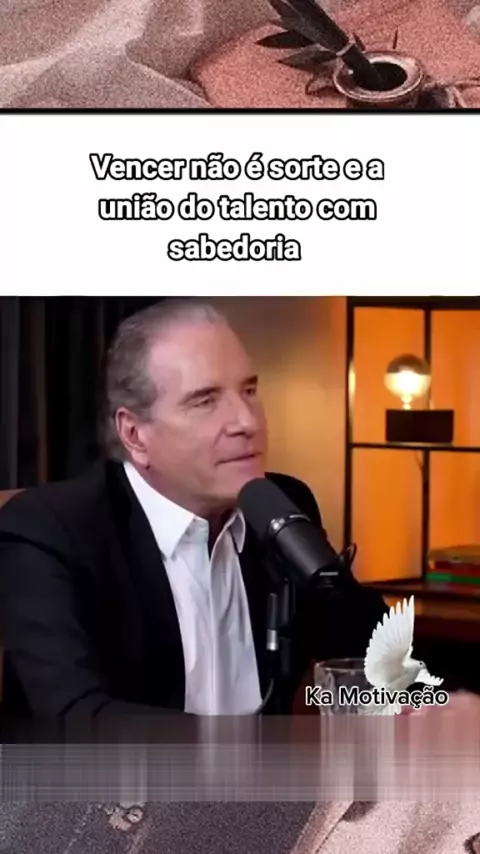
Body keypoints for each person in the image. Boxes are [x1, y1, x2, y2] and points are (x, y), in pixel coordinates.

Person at [0, 299, 387, 720]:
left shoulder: (280, 504)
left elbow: (381, 655)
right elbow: (78, 719)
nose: (247, 421)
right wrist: (257, 748)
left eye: (249, 391)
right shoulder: (49, 531)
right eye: (205, 401)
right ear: (135, 434)